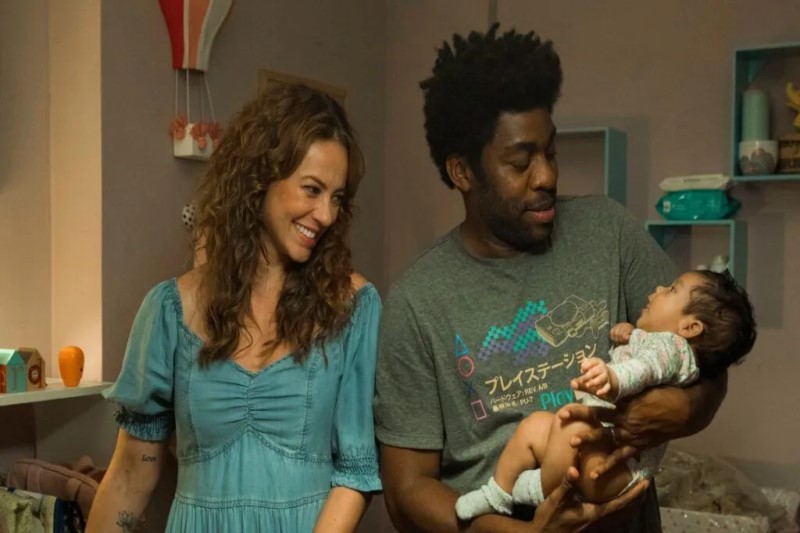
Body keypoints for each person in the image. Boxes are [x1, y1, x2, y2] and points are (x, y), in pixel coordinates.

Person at [373, 24, 729, 532]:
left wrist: (683, 408)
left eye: (551, 152)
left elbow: (708, 356)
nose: (546, 176)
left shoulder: (608, 231)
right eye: (520, 162)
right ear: (461, 172)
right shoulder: (416, 301)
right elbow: (407, 493)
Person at [87, 83, 381, 532]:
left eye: (337, 198)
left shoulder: (351, 307)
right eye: (312, 189)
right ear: (260, 179)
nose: (326, 214)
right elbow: (129, 476)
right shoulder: (169, 310)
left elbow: (356, 472)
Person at [456, 269, 757, 520]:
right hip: (599, 452)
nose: (658, 289)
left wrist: (613, 378)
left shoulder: (673, 348)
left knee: (570, 428)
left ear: (690, 327)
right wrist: (629, 333)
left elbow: (646, 367)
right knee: (535, 425)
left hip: (616, 469)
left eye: (671, 289)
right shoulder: (664, 346)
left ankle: (534, 489)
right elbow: (647, 353)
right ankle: (497, 494)